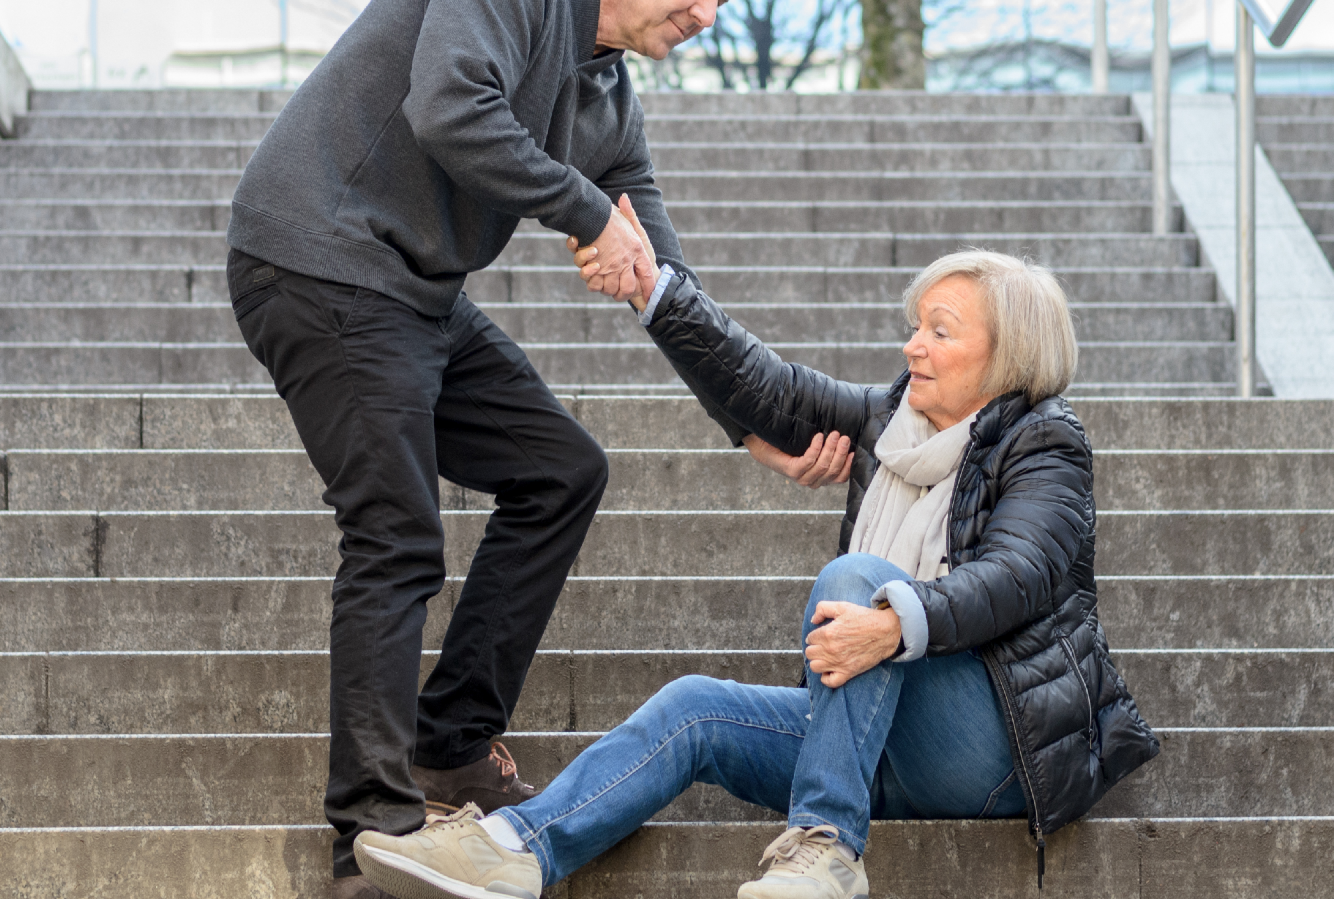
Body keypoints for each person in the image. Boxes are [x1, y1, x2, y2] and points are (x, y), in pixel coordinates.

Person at [224, 0, 765, 897]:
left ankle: (450, 742)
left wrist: (755, 422)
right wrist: (587, 212)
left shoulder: (606, 96)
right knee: (396, 531)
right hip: (317, 260)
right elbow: (451, 106)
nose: (706, 12)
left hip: (415, 293)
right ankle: (368, 835)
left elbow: (666, 276)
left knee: (561, 470)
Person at [352, 225, 1161, 899]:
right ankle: (513, 851)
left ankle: (825, 848)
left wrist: (892, 623)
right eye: (916, 324)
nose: (913, 344)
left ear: (1007, 355)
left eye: (940, 331)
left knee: (857, 582)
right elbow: (763, 383)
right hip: (878, 742)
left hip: (997, 749)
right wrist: (652, 290)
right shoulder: (892, 427)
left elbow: (1019, 576)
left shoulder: (1045, 442)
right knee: (696, 708)